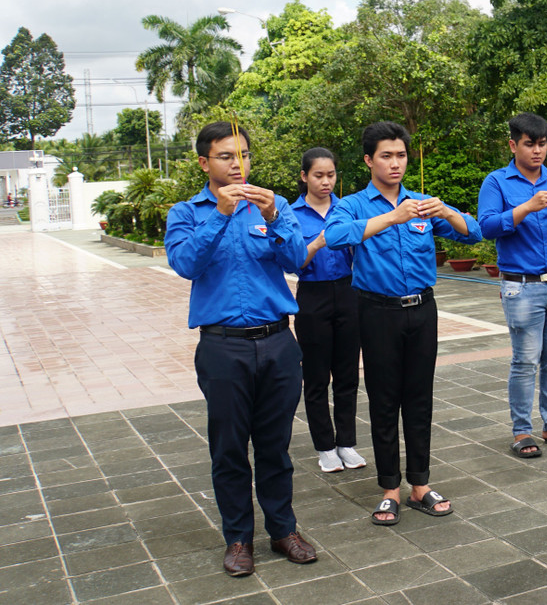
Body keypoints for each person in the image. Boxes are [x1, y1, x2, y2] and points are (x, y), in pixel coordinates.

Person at [166, 121, 317, 577]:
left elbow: (296, 260)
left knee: (276, 446)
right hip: (222, 347)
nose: (238, 164)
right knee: (229, 448)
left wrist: (273, 218)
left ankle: (283, 529)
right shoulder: (187, 212)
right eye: (227, 156)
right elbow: (185, 263)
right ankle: (237, 538)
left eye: (244, 155)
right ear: (204, 163)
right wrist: (219, 213)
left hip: (277, 342)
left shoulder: (275, 204)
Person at [323, 121, 480, 526]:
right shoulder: (355, 204)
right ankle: (389, 488)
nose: (395, 163)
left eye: (401, 155)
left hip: (422, 310)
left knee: (419, 398)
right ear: (368, 160)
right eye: (386, 156)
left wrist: (445, 210)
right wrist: (392, 218)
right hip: (376, 312)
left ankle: (420, 485)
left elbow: (473, 233)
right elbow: (337, 236)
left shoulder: (423, 203)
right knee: (383, 399)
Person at [478, 113, 547, 459]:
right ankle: (522, 430)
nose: (537, 151)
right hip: (521, 286)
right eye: (529, 144)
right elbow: (487, 227)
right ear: (513, 145)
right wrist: (526, 207)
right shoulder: (497, 182)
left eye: (542, 144)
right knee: (525, 361)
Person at [291, 148, 366, 474]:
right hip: (313, 297)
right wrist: (320, 242)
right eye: (318, 175)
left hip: (349, 293)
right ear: (305, 176)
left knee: (348, 375)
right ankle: (325, 447)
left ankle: (346, 443)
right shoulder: (291, 214)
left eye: (331, 175)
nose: (325, 182)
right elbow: (293, 262)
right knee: (317, 377)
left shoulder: (347, 210)